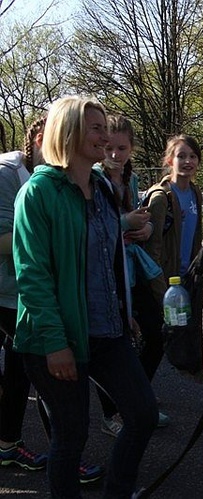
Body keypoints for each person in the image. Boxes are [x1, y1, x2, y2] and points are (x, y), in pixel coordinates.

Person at [13, 95, 158, 498]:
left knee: (143, 415)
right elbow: (33, 274)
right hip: (54, 339)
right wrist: (56, 343)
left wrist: (123, 310)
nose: (105, 135)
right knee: (71, 436)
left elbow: (111, 259)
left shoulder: (103, 187)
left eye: (104, 127)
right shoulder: (39, 193)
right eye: (95, 128)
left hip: (107, 328)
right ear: (69, 131)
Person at [96, 114, 170, 432]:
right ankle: (113, 414)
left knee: (156, 333)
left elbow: (139, 215)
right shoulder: (94, 179)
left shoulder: (131, 178)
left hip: (130, 266)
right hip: (105, 271)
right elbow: (95, 227)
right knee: (114, 343)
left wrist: (147, 225)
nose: (115, 155)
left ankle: (139, 399)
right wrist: (126, 223)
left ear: (131, 149)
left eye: (122, 148)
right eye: (109, 147)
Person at [0, 117, 48, 471]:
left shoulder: (59, 176)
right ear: (40, 139)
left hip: (25, 292)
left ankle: (7, 443)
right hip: (6, 291)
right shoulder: (7, 174)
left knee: (22, 371)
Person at [144, 134, 203, 283]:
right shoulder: (161, 197)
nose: (188, 161)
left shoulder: (195, 193)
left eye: (193, 156)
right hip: (167, 281)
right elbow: (152, 250)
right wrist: (160, 290)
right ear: (170, 160)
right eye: (181, 156)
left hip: (189, 278)